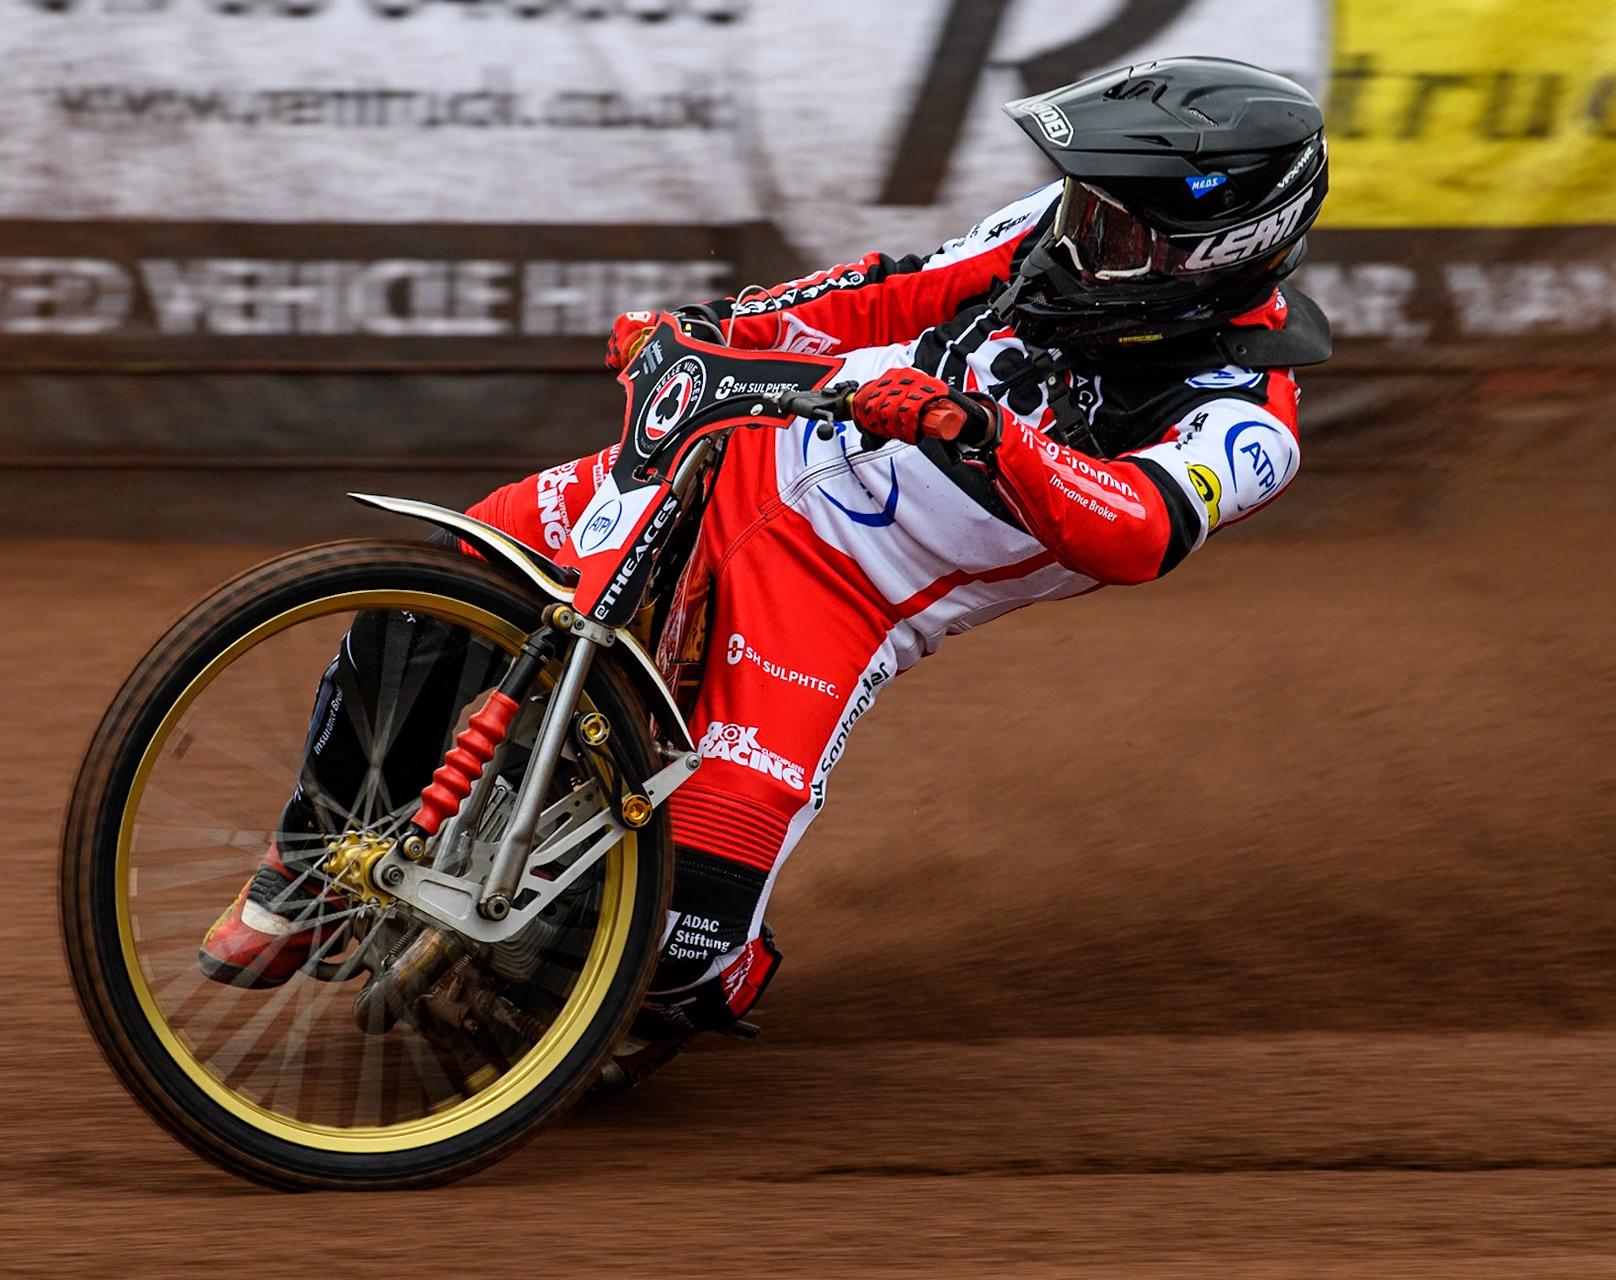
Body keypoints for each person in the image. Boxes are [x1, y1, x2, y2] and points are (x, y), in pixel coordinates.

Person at [197, 57, 1331, 1083]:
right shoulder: (1059, 229)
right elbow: (889, 291)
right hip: (742, 452)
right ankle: (309, 861)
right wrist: (718, 326)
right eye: (1083, 206)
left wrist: (984, 432)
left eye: (1116, 231)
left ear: (1219, 251)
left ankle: (698, 981)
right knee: (440, 585)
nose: (1078, 238)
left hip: (842, 596)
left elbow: (1136, 529)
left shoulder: (1249, 421)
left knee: (676, 943)